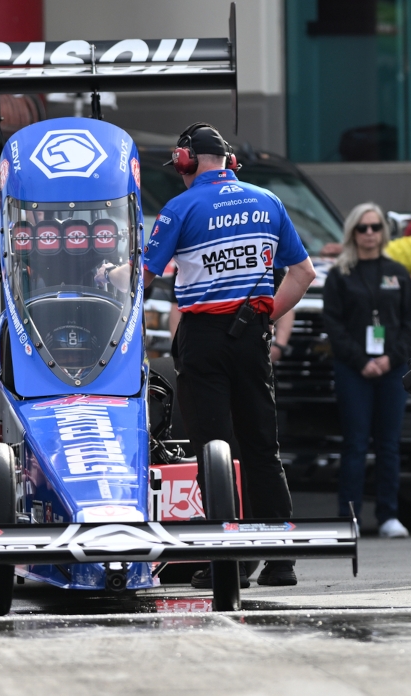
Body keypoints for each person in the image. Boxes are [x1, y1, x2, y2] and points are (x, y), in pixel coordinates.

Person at [112, 122, 317, 588]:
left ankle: (231, 560)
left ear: (186, 161)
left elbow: (141, 278)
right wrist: (262, 317)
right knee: (262, 445)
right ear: (230, 162)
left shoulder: (180, 207)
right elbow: (303, 273)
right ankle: (280, 560)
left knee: (214, 449)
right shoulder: (268, 201)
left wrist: (106, 275)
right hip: (252, 337)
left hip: (203, 339)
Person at [322, 203, 411, 539]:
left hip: (392, 369)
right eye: (362, 228)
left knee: (389, 444)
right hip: (353, 370)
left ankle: (389, 515)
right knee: (355, 444)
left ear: (383, 232)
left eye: (375, 227)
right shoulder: (340, 274)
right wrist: (361, 361)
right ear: (352, 232)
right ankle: (348, 516)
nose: (368, 233)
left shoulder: (398, 273)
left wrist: (390, 360)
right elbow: (333, 326)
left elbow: (410, 325)